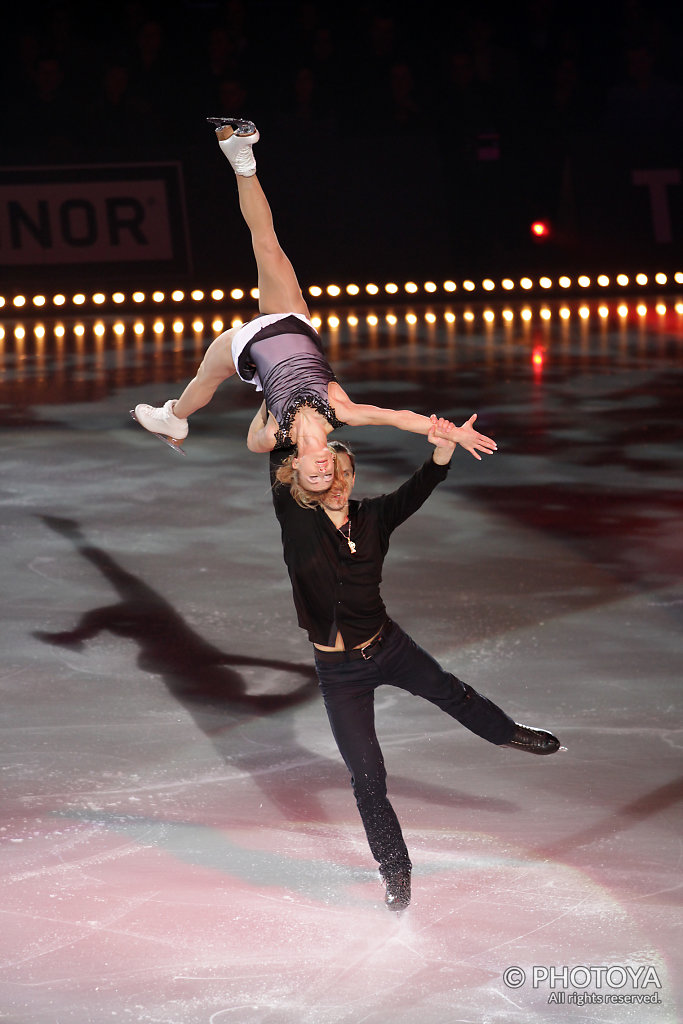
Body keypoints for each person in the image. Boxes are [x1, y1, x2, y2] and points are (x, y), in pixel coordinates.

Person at [269, 426, 562, 912]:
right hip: (338, 673)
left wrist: (443, 447)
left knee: (451, 691)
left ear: (354, 475)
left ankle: (507, 733)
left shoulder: (375, 516)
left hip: (388, 646)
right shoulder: (295, 518)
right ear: (309, 475)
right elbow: (281, 454)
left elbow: (423, 483)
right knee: (367, 779)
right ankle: (395, 870)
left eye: (344, 470)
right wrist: (282, 400)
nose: (335, 478)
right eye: (326, 470)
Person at [131, 117, 497, 487]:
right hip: (293, 324)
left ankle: (174, 418)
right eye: (329, 474)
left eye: (314, 477)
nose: (323, 470)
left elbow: (251, 438)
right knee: (267, 244)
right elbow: (400, 417)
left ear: (296, 468)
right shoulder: (343, 413)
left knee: (206, 381)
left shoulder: (273, 438)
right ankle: (241, 159)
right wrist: (453, 433)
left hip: (247, 348)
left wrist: (267, 392)